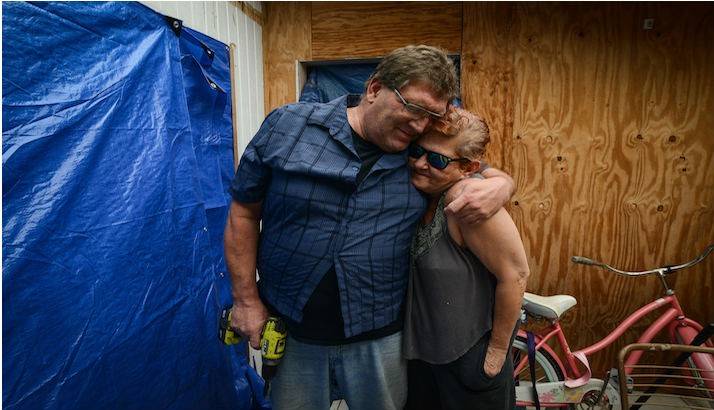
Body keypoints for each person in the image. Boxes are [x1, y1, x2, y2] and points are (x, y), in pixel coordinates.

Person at [224, 45, 515, 410]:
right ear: (375, 89)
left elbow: (467, 165)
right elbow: (243, 211)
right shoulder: (288, 125)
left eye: (432, 116)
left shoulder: (420, 159)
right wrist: (246, 300)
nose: (420, 125)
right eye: (414, 107)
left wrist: (502, 182)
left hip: (381, 341)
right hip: (293, 333)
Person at [402, 108, 529, 410]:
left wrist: (496, 355)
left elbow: (516, 275)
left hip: (469, 363)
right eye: (417, 151)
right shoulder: (427, 193)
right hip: (425, 360)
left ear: (468, 168)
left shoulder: (469, 201)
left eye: (435, 159)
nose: (419, 163)